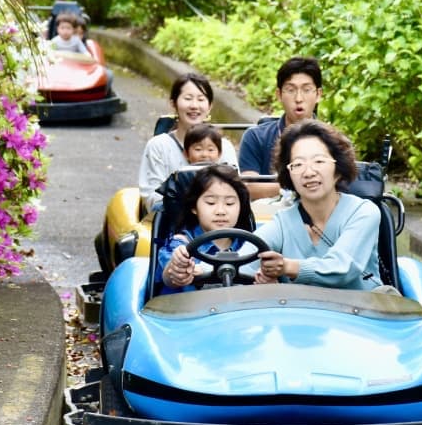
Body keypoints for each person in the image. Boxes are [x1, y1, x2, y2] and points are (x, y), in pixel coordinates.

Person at [252, 120, 382, 290]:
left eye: (319, 162)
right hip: (303, 314)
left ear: (338, 169)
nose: (308, 172)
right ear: (289, 174)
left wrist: (287, 267)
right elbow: (246, 254)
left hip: (362, 312)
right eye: (298, 164)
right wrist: (208, 268)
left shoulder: (363, 212)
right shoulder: (283, 222)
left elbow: (342, 268)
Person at [138, 73, 238, 209]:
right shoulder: (158, 146)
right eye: (188, 98)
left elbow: (235, 192)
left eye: (201, 99)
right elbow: (152, 198)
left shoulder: (224, 146)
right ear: (173, 103)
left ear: (209, 106)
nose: (194, 105)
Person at [158, 165, 256, 293]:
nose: (221, 211)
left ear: (240, 207)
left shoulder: (250, 246)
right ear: (194, 207)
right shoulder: (181, 244)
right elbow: (170, 274)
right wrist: (178, 268)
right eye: (211, 202)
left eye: (229, 203)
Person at [239, 56, 324, 200]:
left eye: (306, 90)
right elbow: (249, 187)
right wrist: (300, 183)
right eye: (290, 90)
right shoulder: (255, 137)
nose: (298, 98)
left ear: (318, 95)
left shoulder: (331, 139)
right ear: (279, 94)